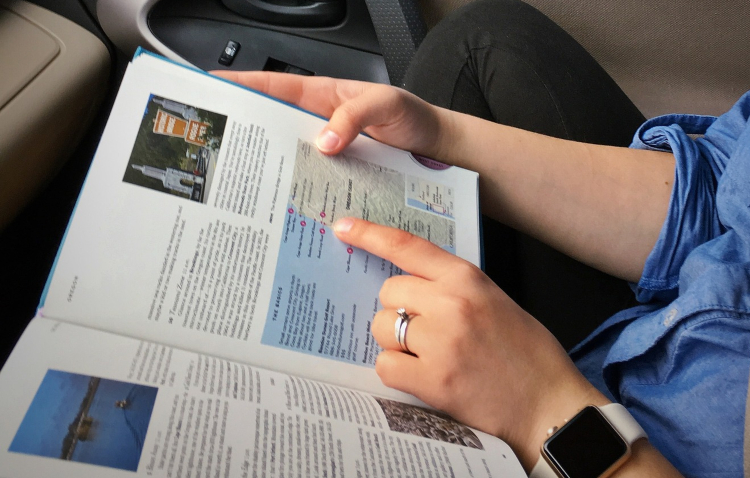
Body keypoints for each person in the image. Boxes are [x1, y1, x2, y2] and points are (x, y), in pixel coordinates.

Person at [214, 0, 750, 475]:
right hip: (669, 332)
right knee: (481, 43)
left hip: (598, 443)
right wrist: (443, 139)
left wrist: (538, 407)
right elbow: (724, 199)